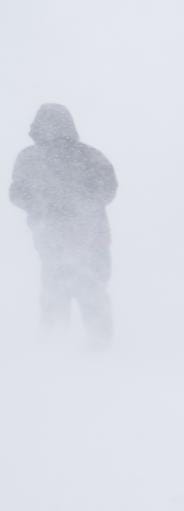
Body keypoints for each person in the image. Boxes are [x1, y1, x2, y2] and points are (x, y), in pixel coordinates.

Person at [9, 104, 117, 348]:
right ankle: (98, 347)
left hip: (53, 239)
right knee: (91, 291)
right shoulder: (90, 156)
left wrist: (46, 205)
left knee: (56, 292)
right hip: (89, 238)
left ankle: (54, 347)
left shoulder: (29, 158)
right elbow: (108, 189)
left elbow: (17, 194)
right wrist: (76, 204)